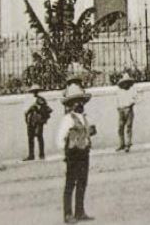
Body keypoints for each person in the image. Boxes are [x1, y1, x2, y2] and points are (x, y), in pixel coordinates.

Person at [56, 83, 96, 223]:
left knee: (82, 182)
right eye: (76, 101)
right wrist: (65, 153)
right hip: (73, 154)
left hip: (84, 153)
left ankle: (80, 211)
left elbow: (88, 133)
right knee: (70, 183)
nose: (79, 103)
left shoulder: (84, 118)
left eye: (81, 100)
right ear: (71, 104)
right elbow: (60, 138)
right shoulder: (68, 119)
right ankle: (67, 215)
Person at [24, 83, 52, 160]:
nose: (35, 92)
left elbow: (45, 109)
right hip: (31, 120)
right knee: (30, 137)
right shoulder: (29, 100)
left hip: (38, 120)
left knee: (39, 136)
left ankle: (41, 154)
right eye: (34, 91)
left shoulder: (41, 100)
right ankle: (31, 154)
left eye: (36, 91)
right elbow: (26, 111)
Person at [115, 73, 138, 152]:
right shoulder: (119, 91)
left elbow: (135, 99)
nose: (126, 84)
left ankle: (128, 144)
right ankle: (122, 144)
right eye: (124, 82)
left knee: (128, 127)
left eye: (127, 82)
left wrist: (130, 105)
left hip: (128, 110)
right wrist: (118, 108)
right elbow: (117, 101)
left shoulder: (132, 90)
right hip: (121, 110)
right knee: (120, 128)